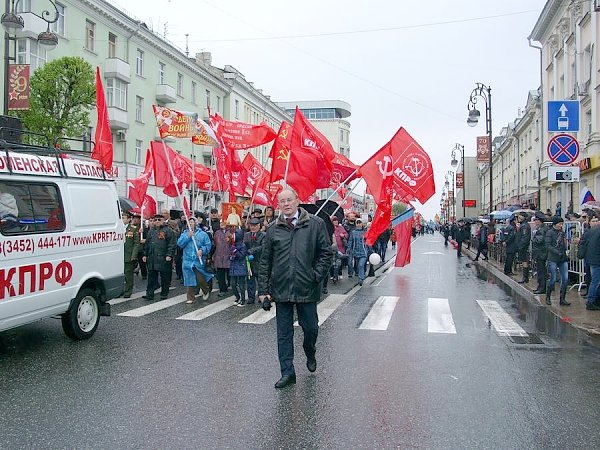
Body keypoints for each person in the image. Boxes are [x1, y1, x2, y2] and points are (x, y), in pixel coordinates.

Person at [258, 188, 332, 389]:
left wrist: (315, 276)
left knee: (311, 328)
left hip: (306, 288)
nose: (286, 204)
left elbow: (326, 253)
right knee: (284, 334)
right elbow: (265, 260)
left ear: (298, 200)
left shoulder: (315, 224)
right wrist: (263, 290)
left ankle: (310, 350)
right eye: (282, 201)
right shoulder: (273, 228)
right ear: (278, 205)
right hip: (281, 289)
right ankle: (287, 372)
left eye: (289, 200)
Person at [177, 216, 213, 304]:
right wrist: (187, 236)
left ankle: (205, 290)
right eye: (189, 222)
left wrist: (202, 250)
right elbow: (180, 244)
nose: (190, 224)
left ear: (196, 224)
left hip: (198, 260)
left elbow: (208, 245)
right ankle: (190, 297)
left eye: (192, 222)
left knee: (200, 277)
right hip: (187, 260)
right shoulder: (184, 234)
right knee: (188, 278)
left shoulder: (203, 234)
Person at [142, 214, 177, 301]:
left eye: (159, 219)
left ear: (163, 220)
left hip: (163, 257)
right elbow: (147, 244)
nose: (157, 221)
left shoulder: (168, 230)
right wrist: (145, 254)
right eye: (155, 220)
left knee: (165, 277)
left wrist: (169, 255)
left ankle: (164, 293)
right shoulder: (151, 231)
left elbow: (171, 244)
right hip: (152, 258)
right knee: (151, 278)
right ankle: (149, 294)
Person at [545, 216, 571, 306]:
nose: (561, 225)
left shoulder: (562, 233)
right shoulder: (550, 233)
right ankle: (548, 296)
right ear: (555, 224)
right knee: (552, 278)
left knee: (565, 279)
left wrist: (566, 252)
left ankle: (562, 298)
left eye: (562, 224)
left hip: (562, 258)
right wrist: (557, 252)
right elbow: (548, 245)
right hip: (553, 258)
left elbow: (564, 244)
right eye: (560, 223)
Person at [577, 212, 600, 311]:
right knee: (596, 281)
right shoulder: (594, 231)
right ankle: (591, 301)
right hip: (596, 260)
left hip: (591, 259)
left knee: (595, 281)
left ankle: (593, 300)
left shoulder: (591, 231)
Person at [244, 217, 265, 304]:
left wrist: (252, 251)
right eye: (251, 225)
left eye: (255, 225)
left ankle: (261, 296)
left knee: (261, 281)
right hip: (249, 261)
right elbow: (244, 246)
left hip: (260, 261)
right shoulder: (247, 235)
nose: (253, 227)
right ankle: (251, 298)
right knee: (250, 280)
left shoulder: (263, 235)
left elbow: (263, 247)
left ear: (259, 226)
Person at [121, 211, 140, 299]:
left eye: (124, 217)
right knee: (121, 274)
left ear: (129, 219)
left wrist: (134, 255)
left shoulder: (133, 228)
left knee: (128, 274)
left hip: (128, 255)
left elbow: (136, 243)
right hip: (119, 255)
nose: (122, 219)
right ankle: (120, 290)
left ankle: (128, 291)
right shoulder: (119, 228)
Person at [229, 228, 248, 306]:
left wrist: (235, 251)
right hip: (233, 266)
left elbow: (242, 256)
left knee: (241, 284)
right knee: (233, 284)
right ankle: (237, 297)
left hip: (241, 266)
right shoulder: (233, 245)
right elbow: (230, 255)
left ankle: (242, 299)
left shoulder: (243, 245)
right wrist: (230, 256)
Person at [347, 219, 369, 285]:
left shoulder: (365, 232)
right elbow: (350, 241)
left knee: (361, 265)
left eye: (360, 223)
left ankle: (360, 278)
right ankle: (360, 276)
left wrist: (371, 250)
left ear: (362, 224)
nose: (358, 224)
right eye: (357, 223)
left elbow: (369, 241)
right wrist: (348, 249)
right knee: (358, 266)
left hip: (363, 252)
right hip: (356, 252)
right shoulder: (353, 232)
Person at [212, 221, 231, 297]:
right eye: (220, 223)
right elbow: (214, 244)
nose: (222, 224)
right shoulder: (217, 232)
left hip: (229, 255)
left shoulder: (231, 231)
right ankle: (222, 289)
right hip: (219, 255)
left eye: (224, 222)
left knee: (229, 273)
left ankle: (230, 285)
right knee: (220, 274)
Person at [531, 213, 548, 295]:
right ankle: (540, 287)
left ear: (539, 221)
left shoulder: (541, 229)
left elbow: (539, 241)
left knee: (541, 271)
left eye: (536, 220)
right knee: (541, 271)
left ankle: (542, 288)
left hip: (541, 253)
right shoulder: (541, 228)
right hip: (541, 252)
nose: (535, 221)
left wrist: (533, 237)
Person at [331, 216, 349, 283]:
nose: (335, 222)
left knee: (339, 261)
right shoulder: (330, 228)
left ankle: (339, 273)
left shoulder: (341, 227)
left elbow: (346, 235)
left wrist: (343, 235)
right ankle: (333, 275)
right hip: (333, 248)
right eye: (334, 220)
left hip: (341, 248)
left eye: (336, 220)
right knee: (333, 262)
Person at [516, 212, 532, 284]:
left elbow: (524, 238)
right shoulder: (523, 225)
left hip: (523, 247)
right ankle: (525, 277)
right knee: (524, 261)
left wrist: (520, 246)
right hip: (523, 246)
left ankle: (525, 278)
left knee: (524, 261)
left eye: (520, 217)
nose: (518, 218)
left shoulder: (525, 226)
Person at [132, 213, 148, 279]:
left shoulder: (143, 227)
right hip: (134, 247)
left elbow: (147, 237)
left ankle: (144, 274)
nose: (135, 220)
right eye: (134, 218)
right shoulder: (132, 227)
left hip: (141, 248)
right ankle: (136, 270)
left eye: (136, 218)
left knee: (142, 262)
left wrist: (143, 238)